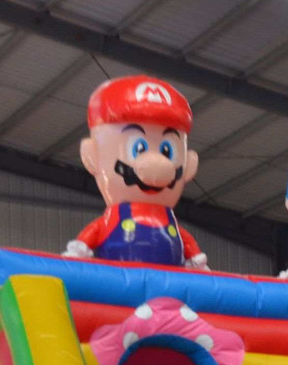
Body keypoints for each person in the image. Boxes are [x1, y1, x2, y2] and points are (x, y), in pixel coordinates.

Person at [65, 76, 208, 269]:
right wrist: (80, 249)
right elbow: (93, 232)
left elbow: (187, 242)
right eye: (138, 148)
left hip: (169, 279)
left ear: (189, 163)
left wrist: (196, 258)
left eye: (167, 151)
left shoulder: (169, 220)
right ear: (92, 155)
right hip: (119, 278)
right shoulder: (112, 219)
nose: (159, 163)